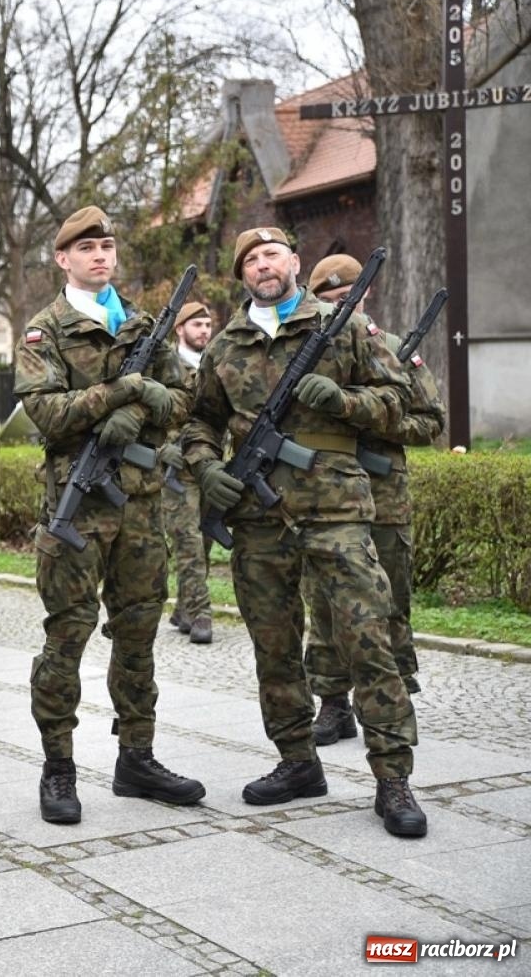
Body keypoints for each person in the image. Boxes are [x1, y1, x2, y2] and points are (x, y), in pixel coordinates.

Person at [182, 228, 426, 837]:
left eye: (273, 254)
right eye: (251, 259)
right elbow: (198, 423)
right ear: (242, 275)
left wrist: (344, 402)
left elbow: (404, 402)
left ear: (294, 262)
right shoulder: (225, 347)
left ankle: (392, 778)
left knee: (367, 636)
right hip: (257, 518)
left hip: (335, 506)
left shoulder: (343, 327)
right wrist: (207, 466)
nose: (263, 265)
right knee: (273, 644)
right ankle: (296, 761)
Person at [15, 205, 206, 825]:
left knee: (138, 635)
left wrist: (146, 399)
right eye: (86, 248)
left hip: (142, 508)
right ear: (63, 259)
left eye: (107, 246)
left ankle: (137, 757)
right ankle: (59, 767)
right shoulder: (44, 330)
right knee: (65, 636)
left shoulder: (145, 325)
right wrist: (117, 396)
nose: (100, 255)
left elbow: (184, 402)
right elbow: (44, 413)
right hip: (78, 506)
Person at [297, 254, 444, 745]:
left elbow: (430, 421)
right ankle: (333, 703)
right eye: (336, 299)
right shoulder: (308, 354)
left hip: (384, 499)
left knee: (390, 601)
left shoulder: (394, 349)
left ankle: (393, 699)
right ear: (317, 301)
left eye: (353, 295)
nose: (348, 305)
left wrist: (373, 420)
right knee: (324, 603)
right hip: (329, 497)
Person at [163, 302, 215, 644]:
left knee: (207, 540)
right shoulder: (164, 365)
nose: (205, 331)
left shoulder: (216, 363)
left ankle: (183, 607)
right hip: (178, 469)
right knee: (189, 541)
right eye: (197, 324)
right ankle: (200, 613)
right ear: (180, 329)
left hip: (211, 465)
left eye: (209, 325)